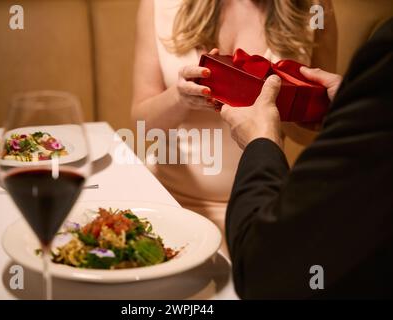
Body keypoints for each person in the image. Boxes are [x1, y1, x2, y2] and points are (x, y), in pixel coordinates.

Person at [220, 18, 393, 299]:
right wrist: (346, 110)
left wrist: (261, 141)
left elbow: (262, 270)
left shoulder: (319, 11)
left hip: (258, 210)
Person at [131, 0, 336, 233]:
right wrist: (180, 97)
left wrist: (286, 108)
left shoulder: (315, 9)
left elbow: (313, 134)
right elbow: (141, 126)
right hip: (168, 198)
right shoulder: (159, 5)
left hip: (259, 206)